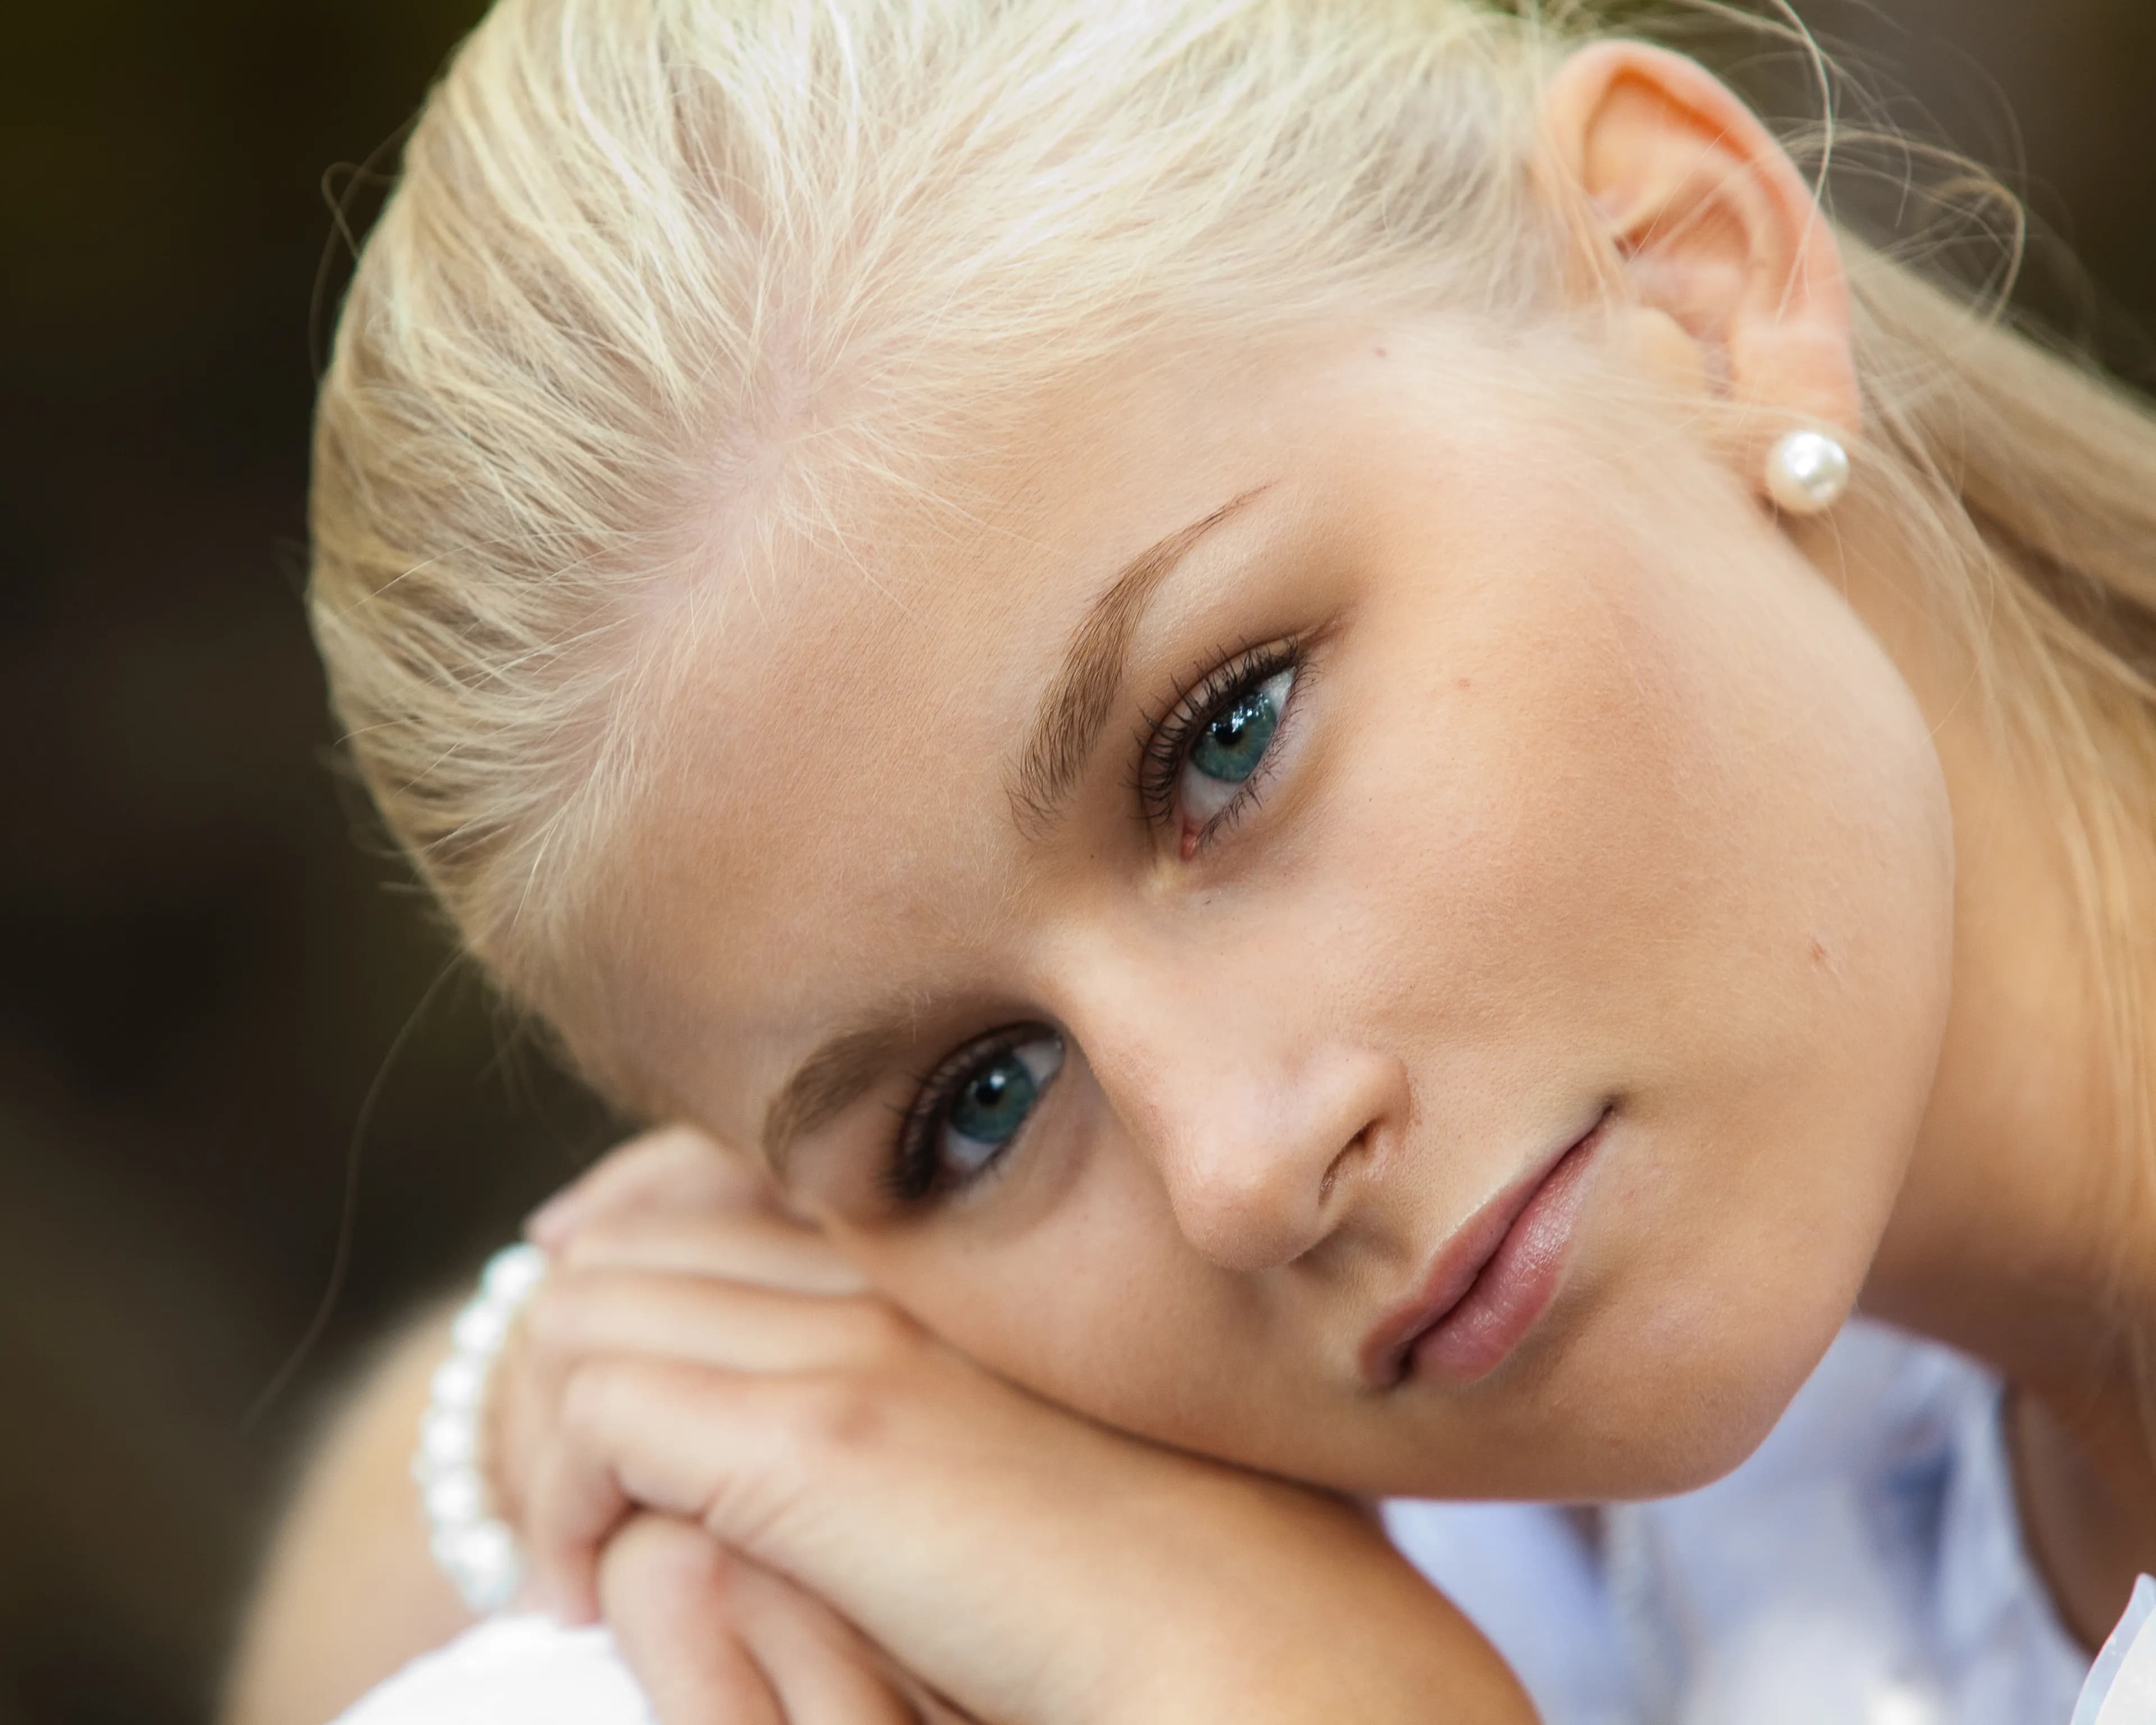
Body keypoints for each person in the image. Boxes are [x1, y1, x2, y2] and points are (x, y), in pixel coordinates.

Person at [223, 0, 2156, 1718]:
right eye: (978, 1107)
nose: (1235, 1174)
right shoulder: (1786, 1444)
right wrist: (573, 1396)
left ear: (1687, 285)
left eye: (1226, 737)